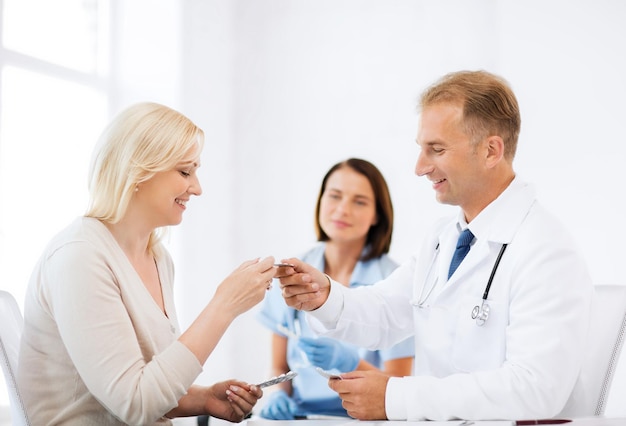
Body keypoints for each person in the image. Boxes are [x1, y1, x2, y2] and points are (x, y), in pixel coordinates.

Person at [275, 70, 594, 421]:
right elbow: (384, 313)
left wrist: (396, 398)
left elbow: (535, 390)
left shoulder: (545, 250)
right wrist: (324, 296)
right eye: (421, 149)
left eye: (436, 150)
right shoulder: (444, 239)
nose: (420, 167)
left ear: (491, 151)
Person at [17, 102, 275, 425]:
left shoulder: (158, 257)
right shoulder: (79, 256)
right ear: (137, 172)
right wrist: (225, 305)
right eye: (185, 171)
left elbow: (146, 384)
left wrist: (204, 398)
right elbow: (135, 404)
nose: (197, 187)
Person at [257, 158, 414, 419]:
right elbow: (278, 366)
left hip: (367, 419)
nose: (342, 210)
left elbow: (399, 389)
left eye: (359, 201)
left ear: (377, 214)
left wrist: (350, 362)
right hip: (300, 416)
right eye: (335, 196)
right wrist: (277, 395)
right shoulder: (291, 273)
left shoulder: (396, 281)